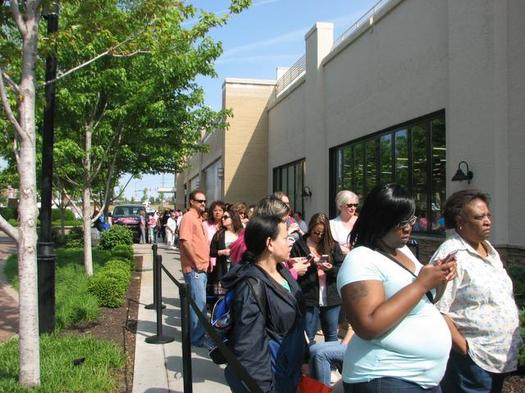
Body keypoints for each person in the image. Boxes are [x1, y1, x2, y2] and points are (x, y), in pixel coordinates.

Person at [337, 183, 457, 393]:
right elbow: (367, 325)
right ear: (379, 221)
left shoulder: (402, 251)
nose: (408, 227)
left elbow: (419, 304)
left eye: (410, 219)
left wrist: (439, 280)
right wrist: (421, 284)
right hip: (385, 376)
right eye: (400, 222)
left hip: (419, 379)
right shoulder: (361, 259)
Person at [431, 190, 522, 393]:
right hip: (471, 362)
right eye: (479, 217)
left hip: (498, 357)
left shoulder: (489, 250)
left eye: (488, 215)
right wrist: (463, 347)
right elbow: (436, 307)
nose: (487, 221)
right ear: (460, 222)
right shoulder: (452, 255)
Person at [221, 215, 306, 393]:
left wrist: (304, 359)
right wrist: (264, 389)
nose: (291, 242)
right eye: (285, 237)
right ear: (269, 243)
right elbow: (249, 348)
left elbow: (295, 321)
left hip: (290, 372)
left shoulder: (282, 270)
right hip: (272, 381)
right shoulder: (251, 286)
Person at [291, 212, 344, 343]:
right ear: (310, 228)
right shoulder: (299, 244)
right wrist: (307, 265)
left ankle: (330, 363)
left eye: (322, 233)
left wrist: (330, 269)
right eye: (316, 232)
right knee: (308, 336)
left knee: (331, 335)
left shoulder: (332, 245)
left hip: (331, 297)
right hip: (308, 296)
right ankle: (309, 363)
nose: (319, 236)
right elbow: (293, 269)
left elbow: (341, 270)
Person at [178, 190, 210, 347]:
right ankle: (197, 339)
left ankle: (198, 336)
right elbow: (185, 241)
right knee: (198, 306)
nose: (203, 203)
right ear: (191, 201)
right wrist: (196, 262)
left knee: (200, 305)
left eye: (204, 201)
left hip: (201, 269)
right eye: (200, 201)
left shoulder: (198, 219)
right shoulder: (188, 218)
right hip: (194, 269)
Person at [209, 208, 243, 296]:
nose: (222, 219)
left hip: (239, 272)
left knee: (237, 298)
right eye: (222, 217)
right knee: (221, 299)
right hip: (222, 271)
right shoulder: (219, 234)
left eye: (225, 217)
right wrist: (221, 252)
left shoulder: (242, 234)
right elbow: (211, 251)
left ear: (233, 218)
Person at [330, 190, 359, 255]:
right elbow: (330, 245)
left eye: (355, 205)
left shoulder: (362, 222)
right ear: (340, 205)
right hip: (340, 261)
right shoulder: (332, 224)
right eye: (349, 205)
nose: (353, 208)